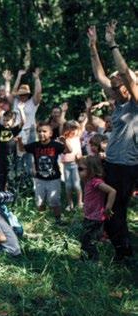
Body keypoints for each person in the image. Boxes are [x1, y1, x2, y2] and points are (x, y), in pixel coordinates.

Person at [87, 21, 137, 261]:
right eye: (114, 87)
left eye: (119, 86)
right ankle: (120, 249)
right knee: (108, 210)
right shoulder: (118, 103)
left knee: (116, 210)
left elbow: (126, 74)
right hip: (113, 163)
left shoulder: (135, 104)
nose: (114, 89)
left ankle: (124, 253)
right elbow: (100, 76)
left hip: (126, 166)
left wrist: (112, 43)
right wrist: (93, 46)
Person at [17, 122, 68, 224]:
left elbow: (68, 150)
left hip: (54, 179)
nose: (41, 133)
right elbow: (22, 149)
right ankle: (42, 221)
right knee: (39, 201)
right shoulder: (35, 145)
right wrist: (19, 141)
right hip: (39, 179)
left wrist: (64, 142)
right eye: (39, 131)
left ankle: (58, 219)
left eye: (44, 131)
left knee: (54, 201)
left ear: (50, 133)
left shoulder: (55, 145)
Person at [78, 156, 116, 261]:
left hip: (95, 218)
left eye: (81, 169)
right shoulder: (89, 181)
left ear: (91, 169)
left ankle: (92, 262)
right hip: (89, 216)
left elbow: (112, 191)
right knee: (86, 239)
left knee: (89, 241)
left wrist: (108, 208)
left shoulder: (96, 182)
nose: (79, 172)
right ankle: (85, 259)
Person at [0, 107, 24, 192]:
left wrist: (21, 110)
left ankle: (11, 197)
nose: (5, 122)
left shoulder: (14, 130)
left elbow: (23, 122)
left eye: (8, 120)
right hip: (1, 159)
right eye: (4, 120)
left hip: (11, 160)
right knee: (1, 179)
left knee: (11, 179)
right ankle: (1, 196)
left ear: (13, 121)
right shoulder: (1, 129)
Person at [61, 120, 83, 211]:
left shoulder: (77, 138)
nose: (73, 131)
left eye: (75, 129)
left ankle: (79, 203)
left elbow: (78, 151)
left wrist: (79, 155)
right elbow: (65, 151)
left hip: (75, 164)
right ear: (65, 129)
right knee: (68, 185)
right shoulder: (62, 140)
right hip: (66, 165)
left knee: (77, 185)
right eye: (70, 129)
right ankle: (70, 204)